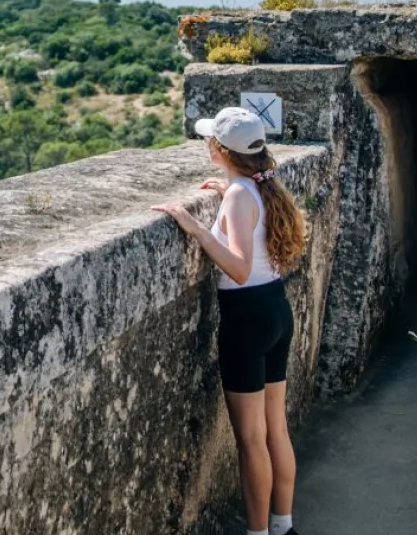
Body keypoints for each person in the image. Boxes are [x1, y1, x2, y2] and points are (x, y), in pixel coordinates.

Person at [153, 106, 309, 535]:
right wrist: (227, 196)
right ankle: (283, 526)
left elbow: (238, 269)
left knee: (251, 440)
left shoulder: (243, 194)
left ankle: (258, 533)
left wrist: (194, 227)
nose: (206, 144)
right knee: (276, 429)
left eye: (209, 139)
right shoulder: (258, 186)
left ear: (220, 149)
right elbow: (251, 240)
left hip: (246, 319)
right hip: (276, 309)